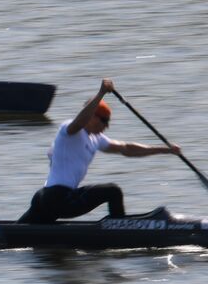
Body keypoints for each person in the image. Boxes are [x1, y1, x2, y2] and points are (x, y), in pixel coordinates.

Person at [18, 79, 180, 223]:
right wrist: (101, 93)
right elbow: (81, 120)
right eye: (104, 121)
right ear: (93, 116)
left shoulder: (96, 139)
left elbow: (127, 148)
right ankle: (120, 228)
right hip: (58, 198)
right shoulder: (69, 131)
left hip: (46, 198)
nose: (107, 126)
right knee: (112, 191)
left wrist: (166, 150)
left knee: (17, 234)